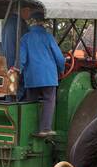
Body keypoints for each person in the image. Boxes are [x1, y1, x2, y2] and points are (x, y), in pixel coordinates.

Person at [17, 8, 70, 138]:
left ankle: (29, 129)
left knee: (31, 102)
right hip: (48, 77)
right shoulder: (48, 37)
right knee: (49, 100)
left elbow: (21, 60)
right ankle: (45, 128)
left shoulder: (25, 38)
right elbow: (59, 58)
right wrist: (61, 70)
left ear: (32, 22)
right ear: (43, 23)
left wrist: (18, 72)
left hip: (31, 78)